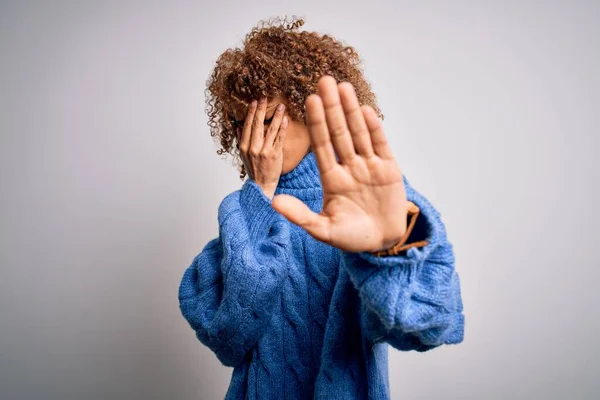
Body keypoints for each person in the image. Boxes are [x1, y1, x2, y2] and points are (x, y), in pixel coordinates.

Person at [178, 16, 464, 399]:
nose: (252, 142)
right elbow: (228, 338)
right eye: (239, 123)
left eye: (266, 120)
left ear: (310, 111)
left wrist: (388, 247)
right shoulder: (244, 212)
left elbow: (431, 324)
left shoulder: (363, 196)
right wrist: (259, 193)